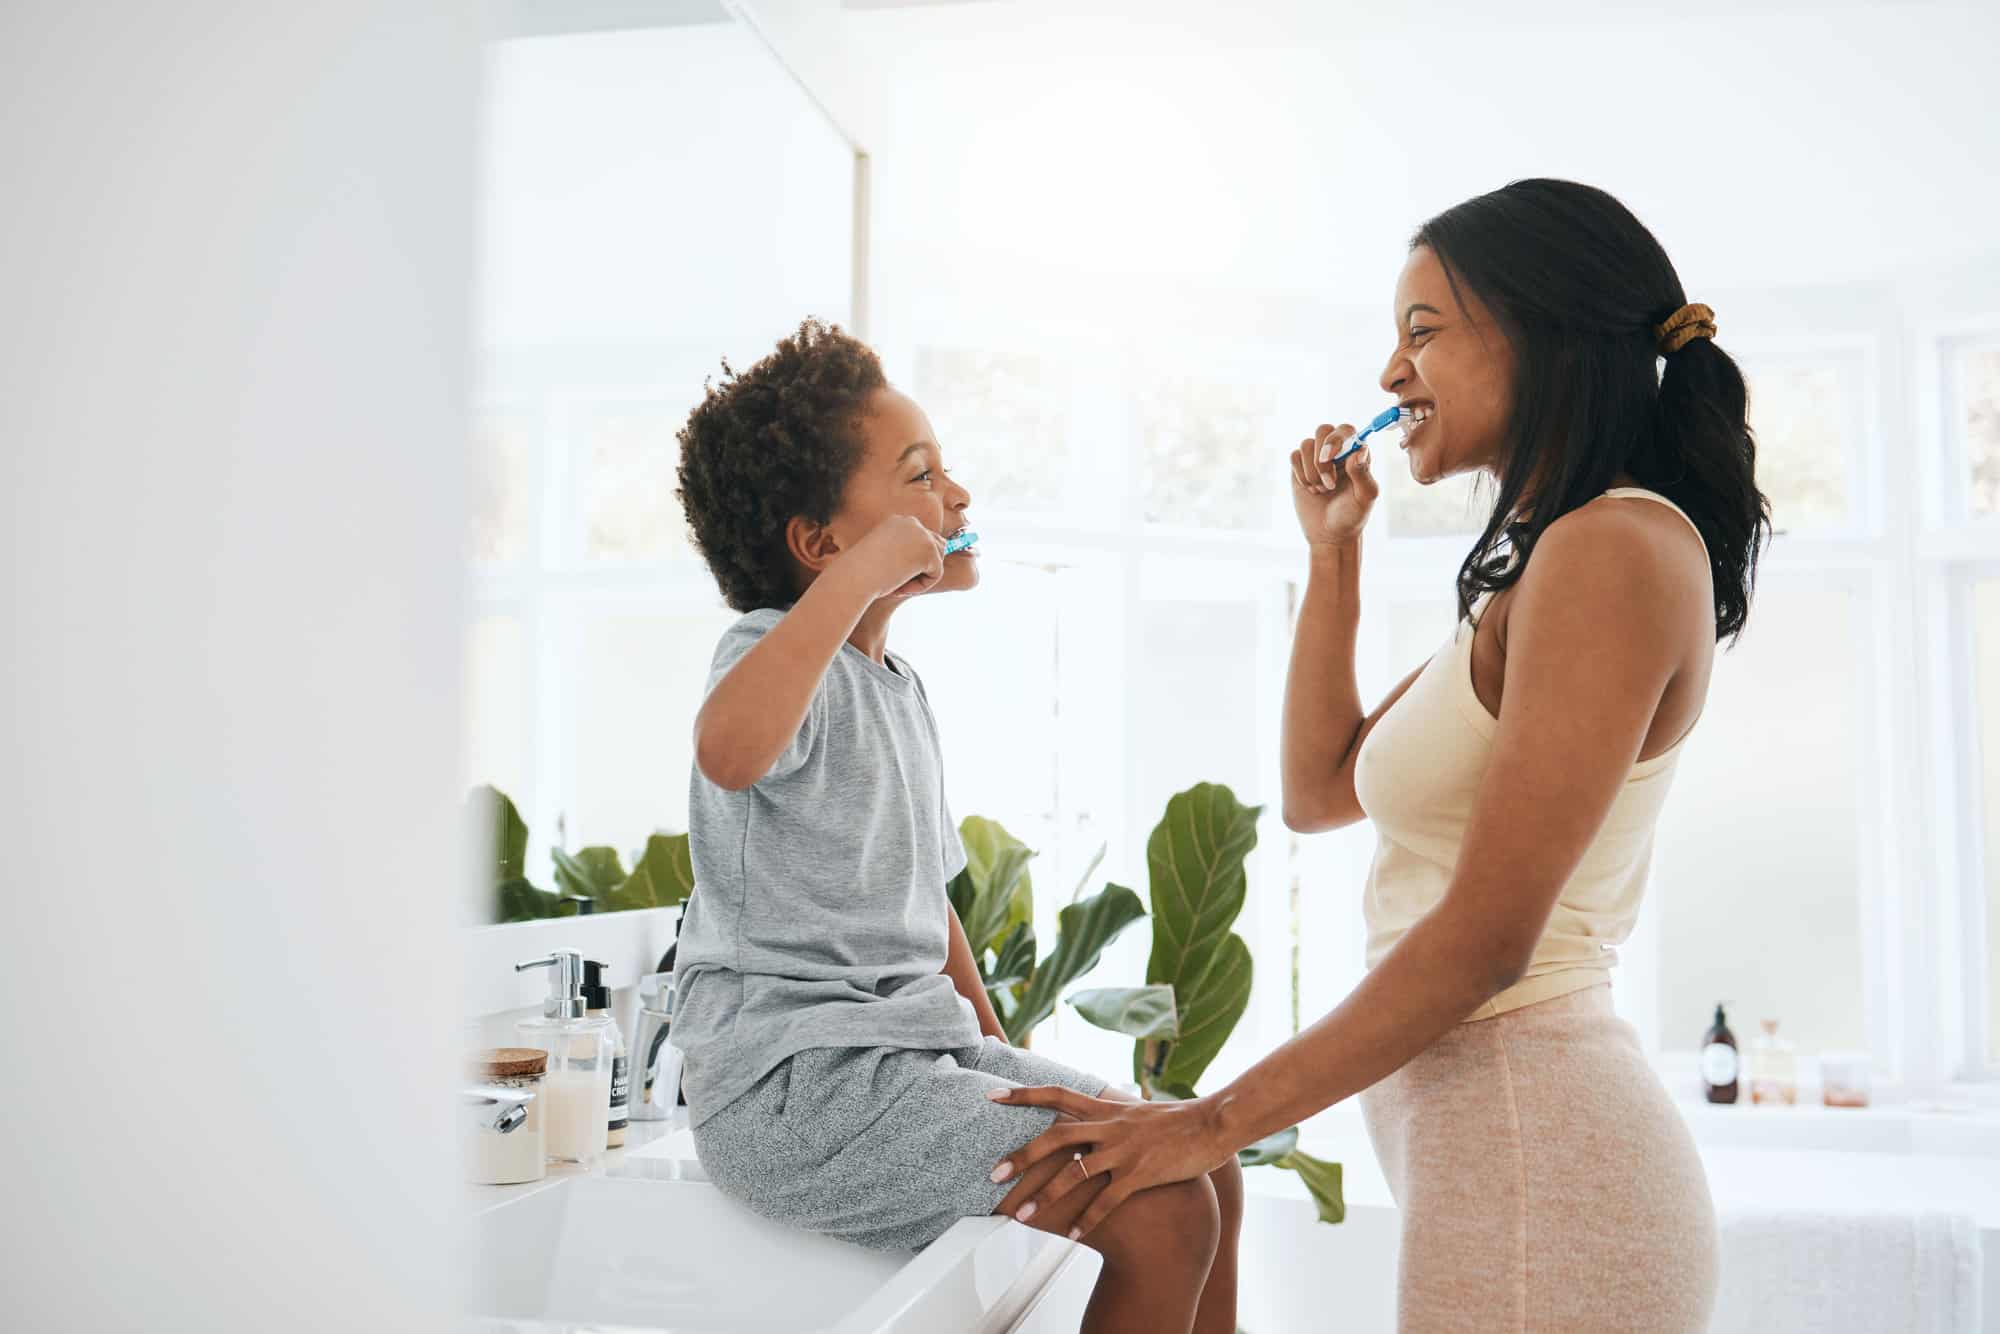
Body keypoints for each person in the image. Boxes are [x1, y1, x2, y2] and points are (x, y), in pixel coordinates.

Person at [989, 179, 1772, 1332]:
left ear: (1542, 332)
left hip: (1540, 1159)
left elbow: (1485, 941)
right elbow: (1319, 791)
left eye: (1422, 331)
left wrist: (1206, 1124)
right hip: (1499, 1151)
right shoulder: (1545, 560)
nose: (1390, 373)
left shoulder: (1611, 548)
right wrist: (1334, 558)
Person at [670, 319, 1243, 1334]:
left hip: (902, 1058)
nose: (957, 496)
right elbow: (727, 747)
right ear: (820, 543)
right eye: (919, 475)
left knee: (1198, 1155)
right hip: (790, 1087)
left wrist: (997, 1051)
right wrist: (855, 580)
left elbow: (924, 898)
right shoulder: (768, 654)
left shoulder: (895, 688)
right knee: (1156, 1212)